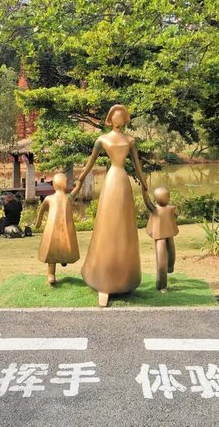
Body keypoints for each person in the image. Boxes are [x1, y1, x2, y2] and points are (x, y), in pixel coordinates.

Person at [71, 104, 146, 307]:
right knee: (106, 226)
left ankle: (127, 277)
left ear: (125, 119)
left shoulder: (130, 140)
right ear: (110, 119)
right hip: (112, 180)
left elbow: (138, 166)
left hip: (122, 182)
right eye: (115, 116)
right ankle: (101, 277)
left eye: (122, 116)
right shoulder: (102, 139)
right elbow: (90, 162)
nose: (119, 119)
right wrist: (79, 181)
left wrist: (145, 186)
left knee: (124, 228)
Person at [35, 172, 79, 285]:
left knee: (59, 247)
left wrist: (38, 222)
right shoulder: (52, 198)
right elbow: (42, 210)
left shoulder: (67, 197)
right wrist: (79, 183)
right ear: (65, 184)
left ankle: (57, 267)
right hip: (53, 227)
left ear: (54, 185)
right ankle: (51, 274)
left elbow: (41, 211)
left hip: (62, 227)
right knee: (52, 249)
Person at [142, 186, 178, 292]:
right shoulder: (155, 209)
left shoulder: (170, 209)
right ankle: (161, 284)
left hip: (169, 233)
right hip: (159, 236)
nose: (167, 198)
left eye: (167, 196)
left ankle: (170, 267)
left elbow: (174, 216)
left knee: (172, 253)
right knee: (161, 260)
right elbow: (147, 201)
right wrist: (143, 190)